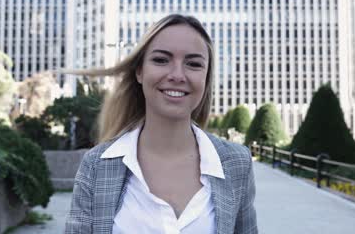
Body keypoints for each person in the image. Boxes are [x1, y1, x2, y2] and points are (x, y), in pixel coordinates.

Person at [65, 14, 257, 234]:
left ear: (206, 77)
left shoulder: (237, 163)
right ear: (139, 71)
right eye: (161, 60)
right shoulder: (96, 165)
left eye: (193, 64)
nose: (177, 75)